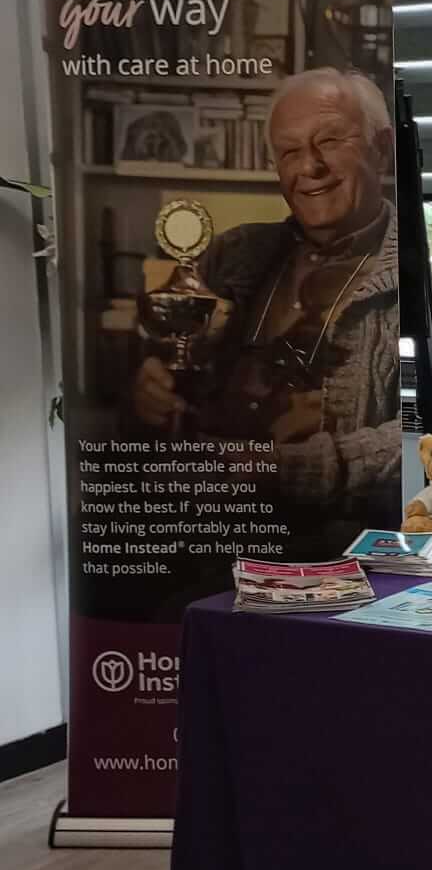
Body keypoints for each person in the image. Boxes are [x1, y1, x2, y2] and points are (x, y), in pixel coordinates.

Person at [131, 66, 401, 545]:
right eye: (289, 151)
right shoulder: (230, 254)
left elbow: (424, 440)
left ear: (381, 148)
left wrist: (281, 470)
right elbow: (156, 373)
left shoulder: (416, 269)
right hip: (196, 526)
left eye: (330, 140)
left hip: (336, 544)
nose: (309, 167)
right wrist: (146, 390)